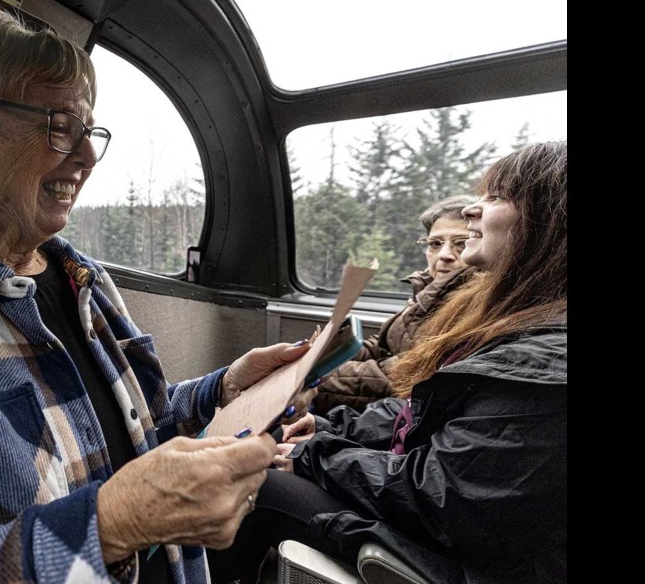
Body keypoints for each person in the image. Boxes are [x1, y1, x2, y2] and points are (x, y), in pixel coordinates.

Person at [0, 7, 315, 584]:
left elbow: (142, 428)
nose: (86, 157)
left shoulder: (83, 279)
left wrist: (226, 389)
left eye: (88, 132)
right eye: (58, 126)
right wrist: (110, 524)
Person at [209, 141, 567, 584]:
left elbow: (448, 496)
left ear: (546, 222)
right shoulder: (509, 318)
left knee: (245, 483)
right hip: (433, 498)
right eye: (434, 243)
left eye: (494, 198)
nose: (473, 210)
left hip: (471, 561)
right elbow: (419, 408)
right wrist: (332, 429)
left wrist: (315, 454)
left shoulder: (545, 360)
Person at [313, 195, 478, 413]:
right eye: (435, 244)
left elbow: (403, 373)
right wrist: (324, 353)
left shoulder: (474, 304)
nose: (444, 255)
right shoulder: (429, 289)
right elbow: (383, 346)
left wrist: (315, 380)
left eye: (461, 244)